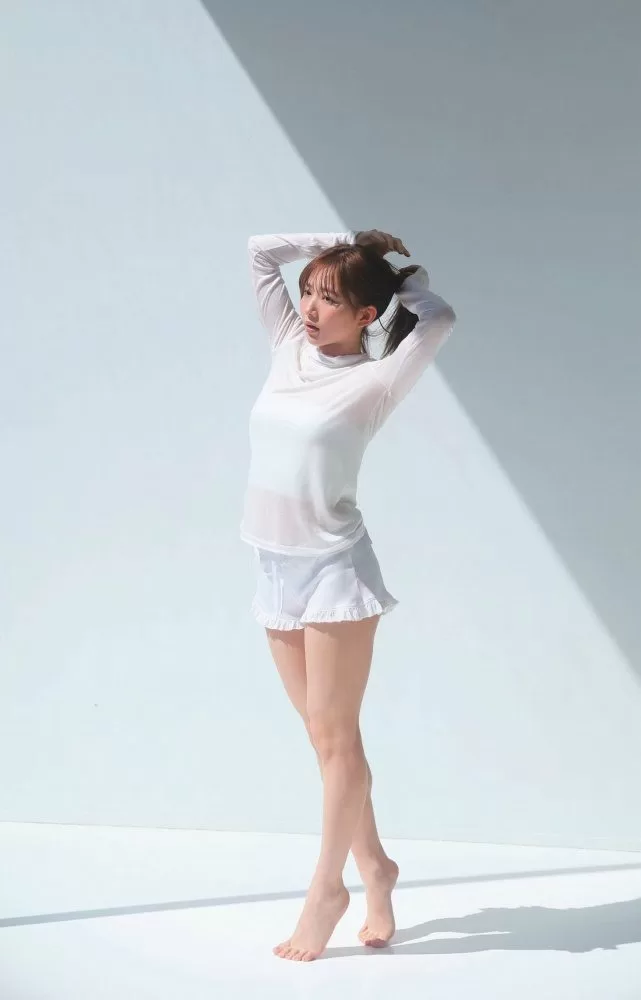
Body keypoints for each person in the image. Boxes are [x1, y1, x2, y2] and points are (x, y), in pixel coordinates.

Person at [240, 229, 456, 961]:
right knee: (326, 738)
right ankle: (376, 867)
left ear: (366, 316)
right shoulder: (286, 346)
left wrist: (392, 275)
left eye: (330, 300)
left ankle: (327, 890)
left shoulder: (377, 378)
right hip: (273, 564)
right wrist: (340, 243)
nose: (308, 307)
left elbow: (439, 317)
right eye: (307, 292)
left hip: (333, 570)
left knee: (335, 738)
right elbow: (259, 253)